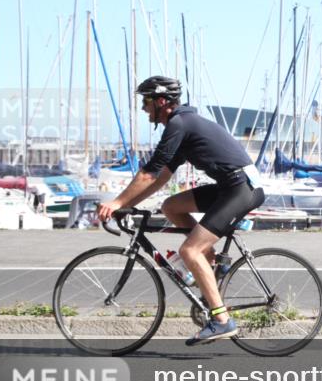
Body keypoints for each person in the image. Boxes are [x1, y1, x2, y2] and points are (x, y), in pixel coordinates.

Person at [97, 76, 265, 345]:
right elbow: (161, 176)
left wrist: (117, 203)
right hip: (230, 186)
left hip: (241, 189)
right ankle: (212, 265)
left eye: (146, 101)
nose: (143, 108)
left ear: (161, 102)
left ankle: (222, 321)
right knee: (171, 206)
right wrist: (129, 204)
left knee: (189, 250)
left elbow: (148, 173)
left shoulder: (179, 123)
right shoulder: (182, 125)